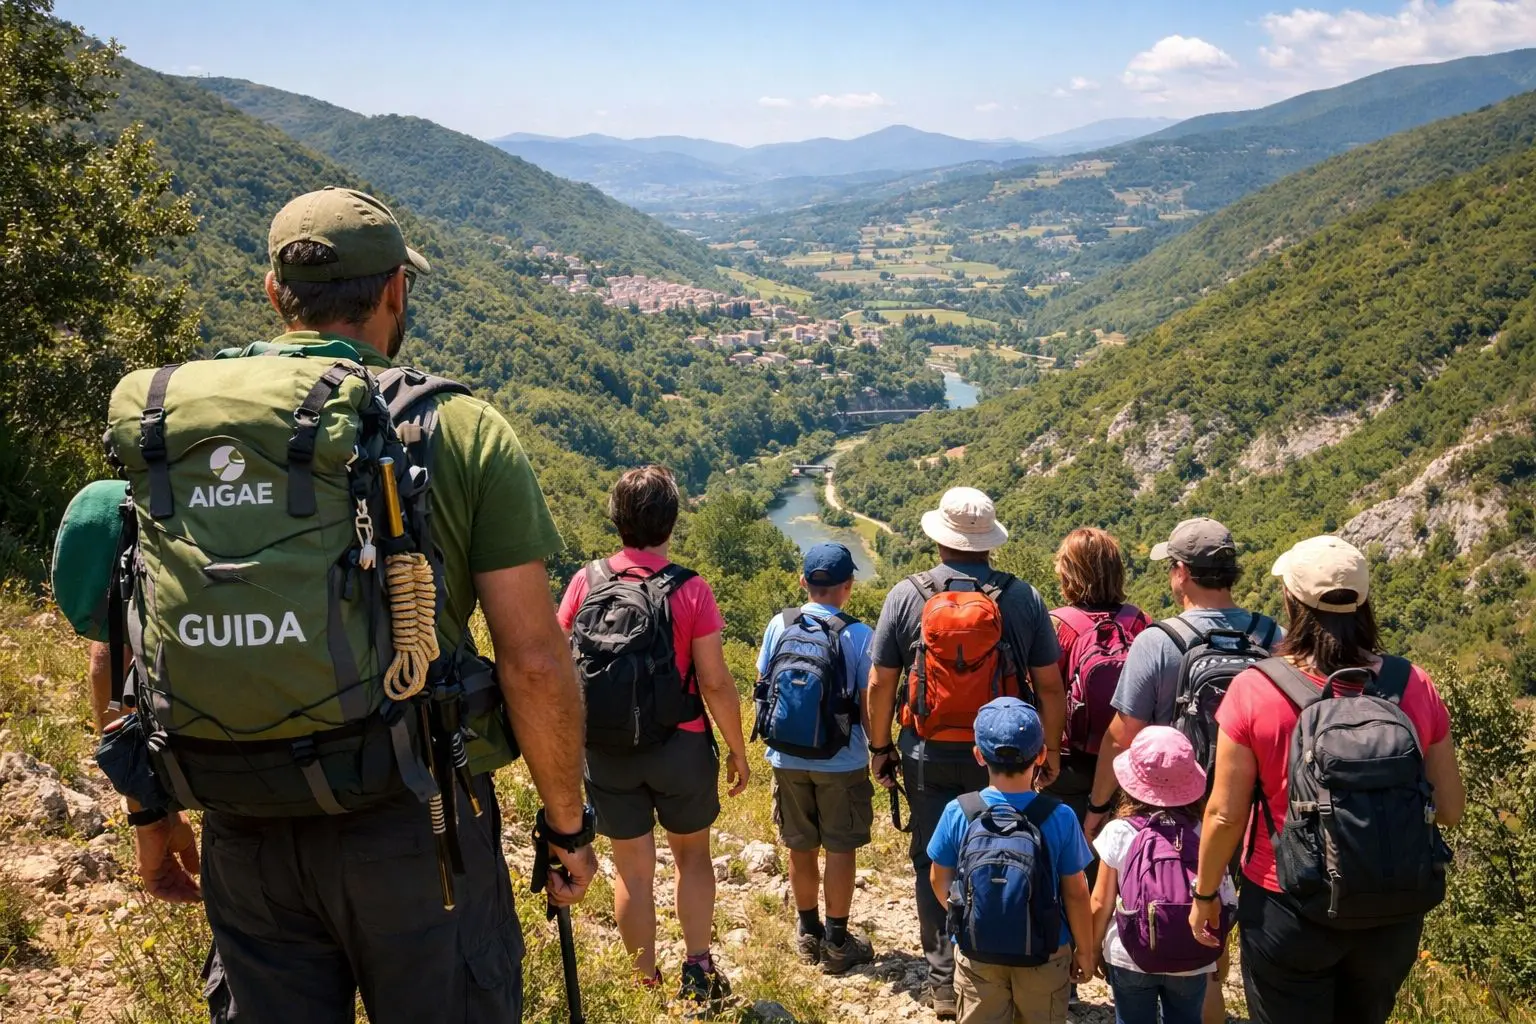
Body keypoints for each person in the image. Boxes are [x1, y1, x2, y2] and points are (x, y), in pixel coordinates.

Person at [74, 186, 596, 1021]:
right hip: (417, 824)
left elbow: (119, 639)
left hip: (241, 818)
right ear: (396, 289)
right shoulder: (459, 428)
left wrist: (150, 811)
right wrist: (567, 825)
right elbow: (534, 660)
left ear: (276, 294)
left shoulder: (181, 425)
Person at [1189, 536, 1465, 1024]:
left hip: (1288, 903)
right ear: (1364, 602)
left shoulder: (1256, 688)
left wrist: (1206, 895)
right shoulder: (1413, 684)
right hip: (1392, 910)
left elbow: (1226, 813)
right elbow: (1449, 808)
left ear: (1291, 602)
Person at [867, 487, 1066, 1017]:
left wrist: (880, 747)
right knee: (1012, 848)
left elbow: (880, 682)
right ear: (989, 543)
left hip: (927, 750)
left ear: (939, 540)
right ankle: (1008, 956)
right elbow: (1049, 685)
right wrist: (1049, 750)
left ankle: (941, 979)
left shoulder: (906, 596)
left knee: (934, 857)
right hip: (1004, 754)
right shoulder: (1023, 598)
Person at [556, 465, 749, 1009]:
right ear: (671, 521)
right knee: (692, 859)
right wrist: (736, 750)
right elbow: (714, 681)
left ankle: (644, 985)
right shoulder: (690, 589)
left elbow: (560, 667)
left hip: (607, 750)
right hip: (680, 746)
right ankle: (697, 968)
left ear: (616, 519)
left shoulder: (585, 582)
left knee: (632, 871)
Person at [1084, 517, 1277, 1024]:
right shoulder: (1270, 636)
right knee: (1217, 915)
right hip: (1254, 811)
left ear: (1181, 573)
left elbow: (1122, 733)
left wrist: (1100, 806)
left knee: (1169, 905)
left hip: (1172, 812)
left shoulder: (1159, 641)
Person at [926, 697, 1094, 1024]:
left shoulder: (958, 810)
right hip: (1045, 951)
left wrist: (975, 913)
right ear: (1041, 755)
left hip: (978, 949)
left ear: (978, 755)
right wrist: (1084, 952)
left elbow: (937, 878)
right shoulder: (1059, 816)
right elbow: (1076, 892)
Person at [754, 543, 876, 975]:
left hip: (786, 757)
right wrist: (879, 750)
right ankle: (838, 943)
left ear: (803, 581)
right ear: (848, 587)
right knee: (840, 848)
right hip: (842, 761)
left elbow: (763, 685)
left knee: (799, 845)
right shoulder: (859, 635)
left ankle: (807, 935)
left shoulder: (779, 624)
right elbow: (868, 702)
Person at [1090, 727, 1235, 1024]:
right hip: (1193, 955)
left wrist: (1090, 951)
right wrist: (1220, 955)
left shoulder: (1120, 831)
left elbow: (1100, 903)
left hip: (1130, 955)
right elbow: (1223, 900)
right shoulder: (1204, 833)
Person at [1046, 527, 1149, 825]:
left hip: (1069, 764)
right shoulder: (1139, 622)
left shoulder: (1057, 625)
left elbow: (1045, 692)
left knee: (1068, 860)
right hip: (1128, 761)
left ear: (1069, 573)